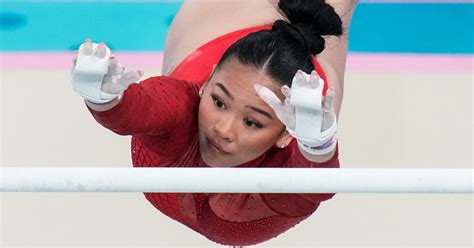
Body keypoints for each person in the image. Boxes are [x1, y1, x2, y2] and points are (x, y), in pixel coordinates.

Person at [71, 0, 358, 246]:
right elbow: (141, 107)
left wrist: (317, 145)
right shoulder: (183, 108)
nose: (223, 129)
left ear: (285, 136)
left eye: (251, 122)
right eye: (218, 102)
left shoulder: (303, 129)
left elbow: (317, 187)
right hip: (213, 33)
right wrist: (105, 99)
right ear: (206, 84)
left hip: (288, 81)